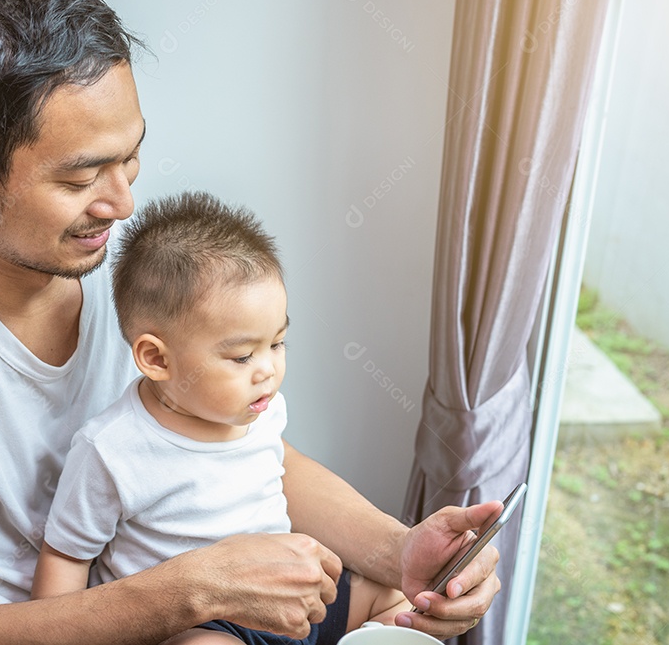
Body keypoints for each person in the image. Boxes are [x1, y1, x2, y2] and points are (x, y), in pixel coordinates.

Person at [0, 0, 501, 645]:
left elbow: (242, 451)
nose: (122, 205)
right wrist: (194, 587)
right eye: (82, 177)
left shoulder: (124, 277)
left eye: (129, 158)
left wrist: (400, 550)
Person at [32, 191, 411, 644]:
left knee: (393, 597)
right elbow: (66, 558)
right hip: (204, 625)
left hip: (295, 600)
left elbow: (284, 476)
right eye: (242, 356)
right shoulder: (111, 449)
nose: (267, 370)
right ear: (157, 359)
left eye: (277, 343)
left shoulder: (264, 411)